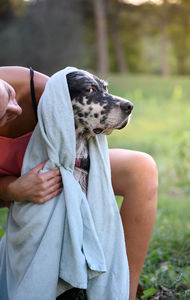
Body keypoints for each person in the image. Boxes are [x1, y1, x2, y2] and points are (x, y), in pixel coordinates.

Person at [0, 66, 158, 300]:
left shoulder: (40, 87)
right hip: (14, 186)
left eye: (8, 94)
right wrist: (12, 188)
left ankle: (123, 291)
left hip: (57, 171)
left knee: (141, 169)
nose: (16, 108)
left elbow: (90, 126)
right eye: (3, 115)